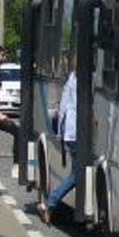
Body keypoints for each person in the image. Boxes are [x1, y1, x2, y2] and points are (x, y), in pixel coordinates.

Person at [40, 69, 77, 226]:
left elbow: (64, 106)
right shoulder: (79, 79)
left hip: (71, 131)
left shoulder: (73, 77)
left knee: (78, 173)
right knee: (78, 174)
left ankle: (49, 204)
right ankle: (49, 204)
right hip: (75, 132)